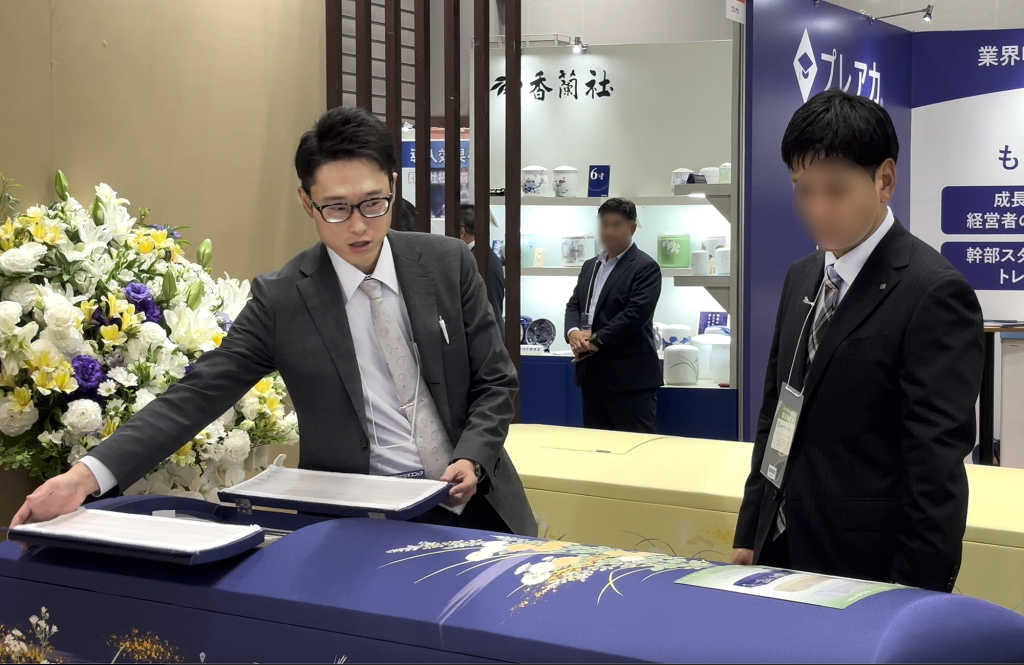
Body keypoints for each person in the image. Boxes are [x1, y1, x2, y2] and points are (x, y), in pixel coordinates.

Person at [12, 107, 536, 537]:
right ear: (306, 201)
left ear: (392, 187)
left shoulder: (447, 263)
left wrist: (473, 456)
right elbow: (197, 394)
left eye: (373, 203)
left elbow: (495, 381)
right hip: (358, 523)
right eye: (336, 208)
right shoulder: (283, 298)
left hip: (476, 504)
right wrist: (85, 476)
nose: (358, 225)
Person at [731, 90, 983, 592]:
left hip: (868, 570)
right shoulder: (802, 276)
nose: (817, 208)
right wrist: (751, 530)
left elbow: (935, 468)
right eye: (803, 189)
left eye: (836, 190)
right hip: (779, 549)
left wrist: (914, 596)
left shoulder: (932, 292)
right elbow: (778, 411)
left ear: (884, 180)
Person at [563, 198, 662, 433]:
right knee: (597, 448)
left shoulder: (645, 267)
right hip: (591, 375)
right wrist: (573, 332)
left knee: (636, 447)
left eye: (616, 225)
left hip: (630, 380)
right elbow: (575, 304)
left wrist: (595, 340)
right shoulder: (590, 265)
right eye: (604, 224)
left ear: (632, 228)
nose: (608, 231)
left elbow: (635, 314)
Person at [459, 204, 505, 341]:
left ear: (461, 231)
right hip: (490, 334)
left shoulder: (474, 259)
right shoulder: (485, 255)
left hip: (483, 337)